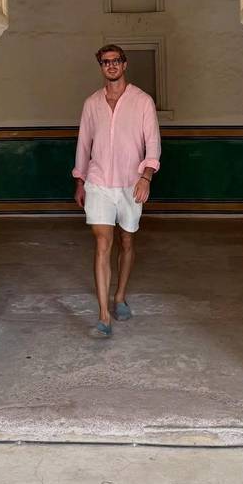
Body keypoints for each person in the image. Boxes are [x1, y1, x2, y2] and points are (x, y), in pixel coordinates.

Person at [73, 44, 161, 338]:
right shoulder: (91, 104)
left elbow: (153, 143)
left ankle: (120, 296)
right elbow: (83, 144)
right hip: (98, 183)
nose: (110, 66)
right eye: (104, 62)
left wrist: (146, 177)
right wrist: (80, 181)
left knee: (126, 240)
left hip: (131, 182)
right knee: (102, 243)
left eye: (115, 61)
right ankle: (103, 315)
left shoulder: (142, 101)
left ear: (124, 64)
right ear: (100, 66)